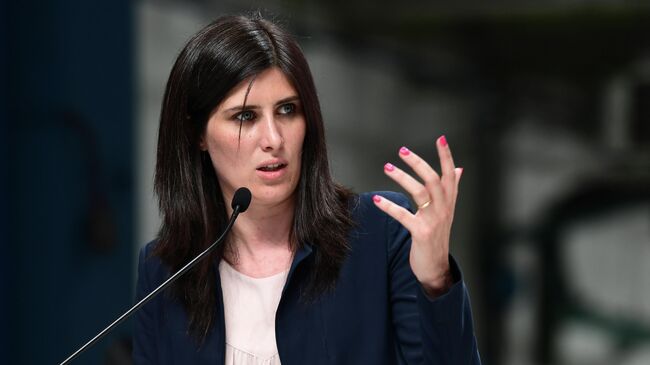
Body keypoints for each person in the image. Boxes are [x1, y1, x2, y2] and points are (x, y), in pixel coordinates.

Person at [133, 14, 481, 365]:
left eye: (287, 110)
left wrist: (436, 279)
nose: (274, 139)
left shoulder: (380, 232)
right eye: (245, 116)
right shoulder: (165, 269)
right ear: (198, 135)